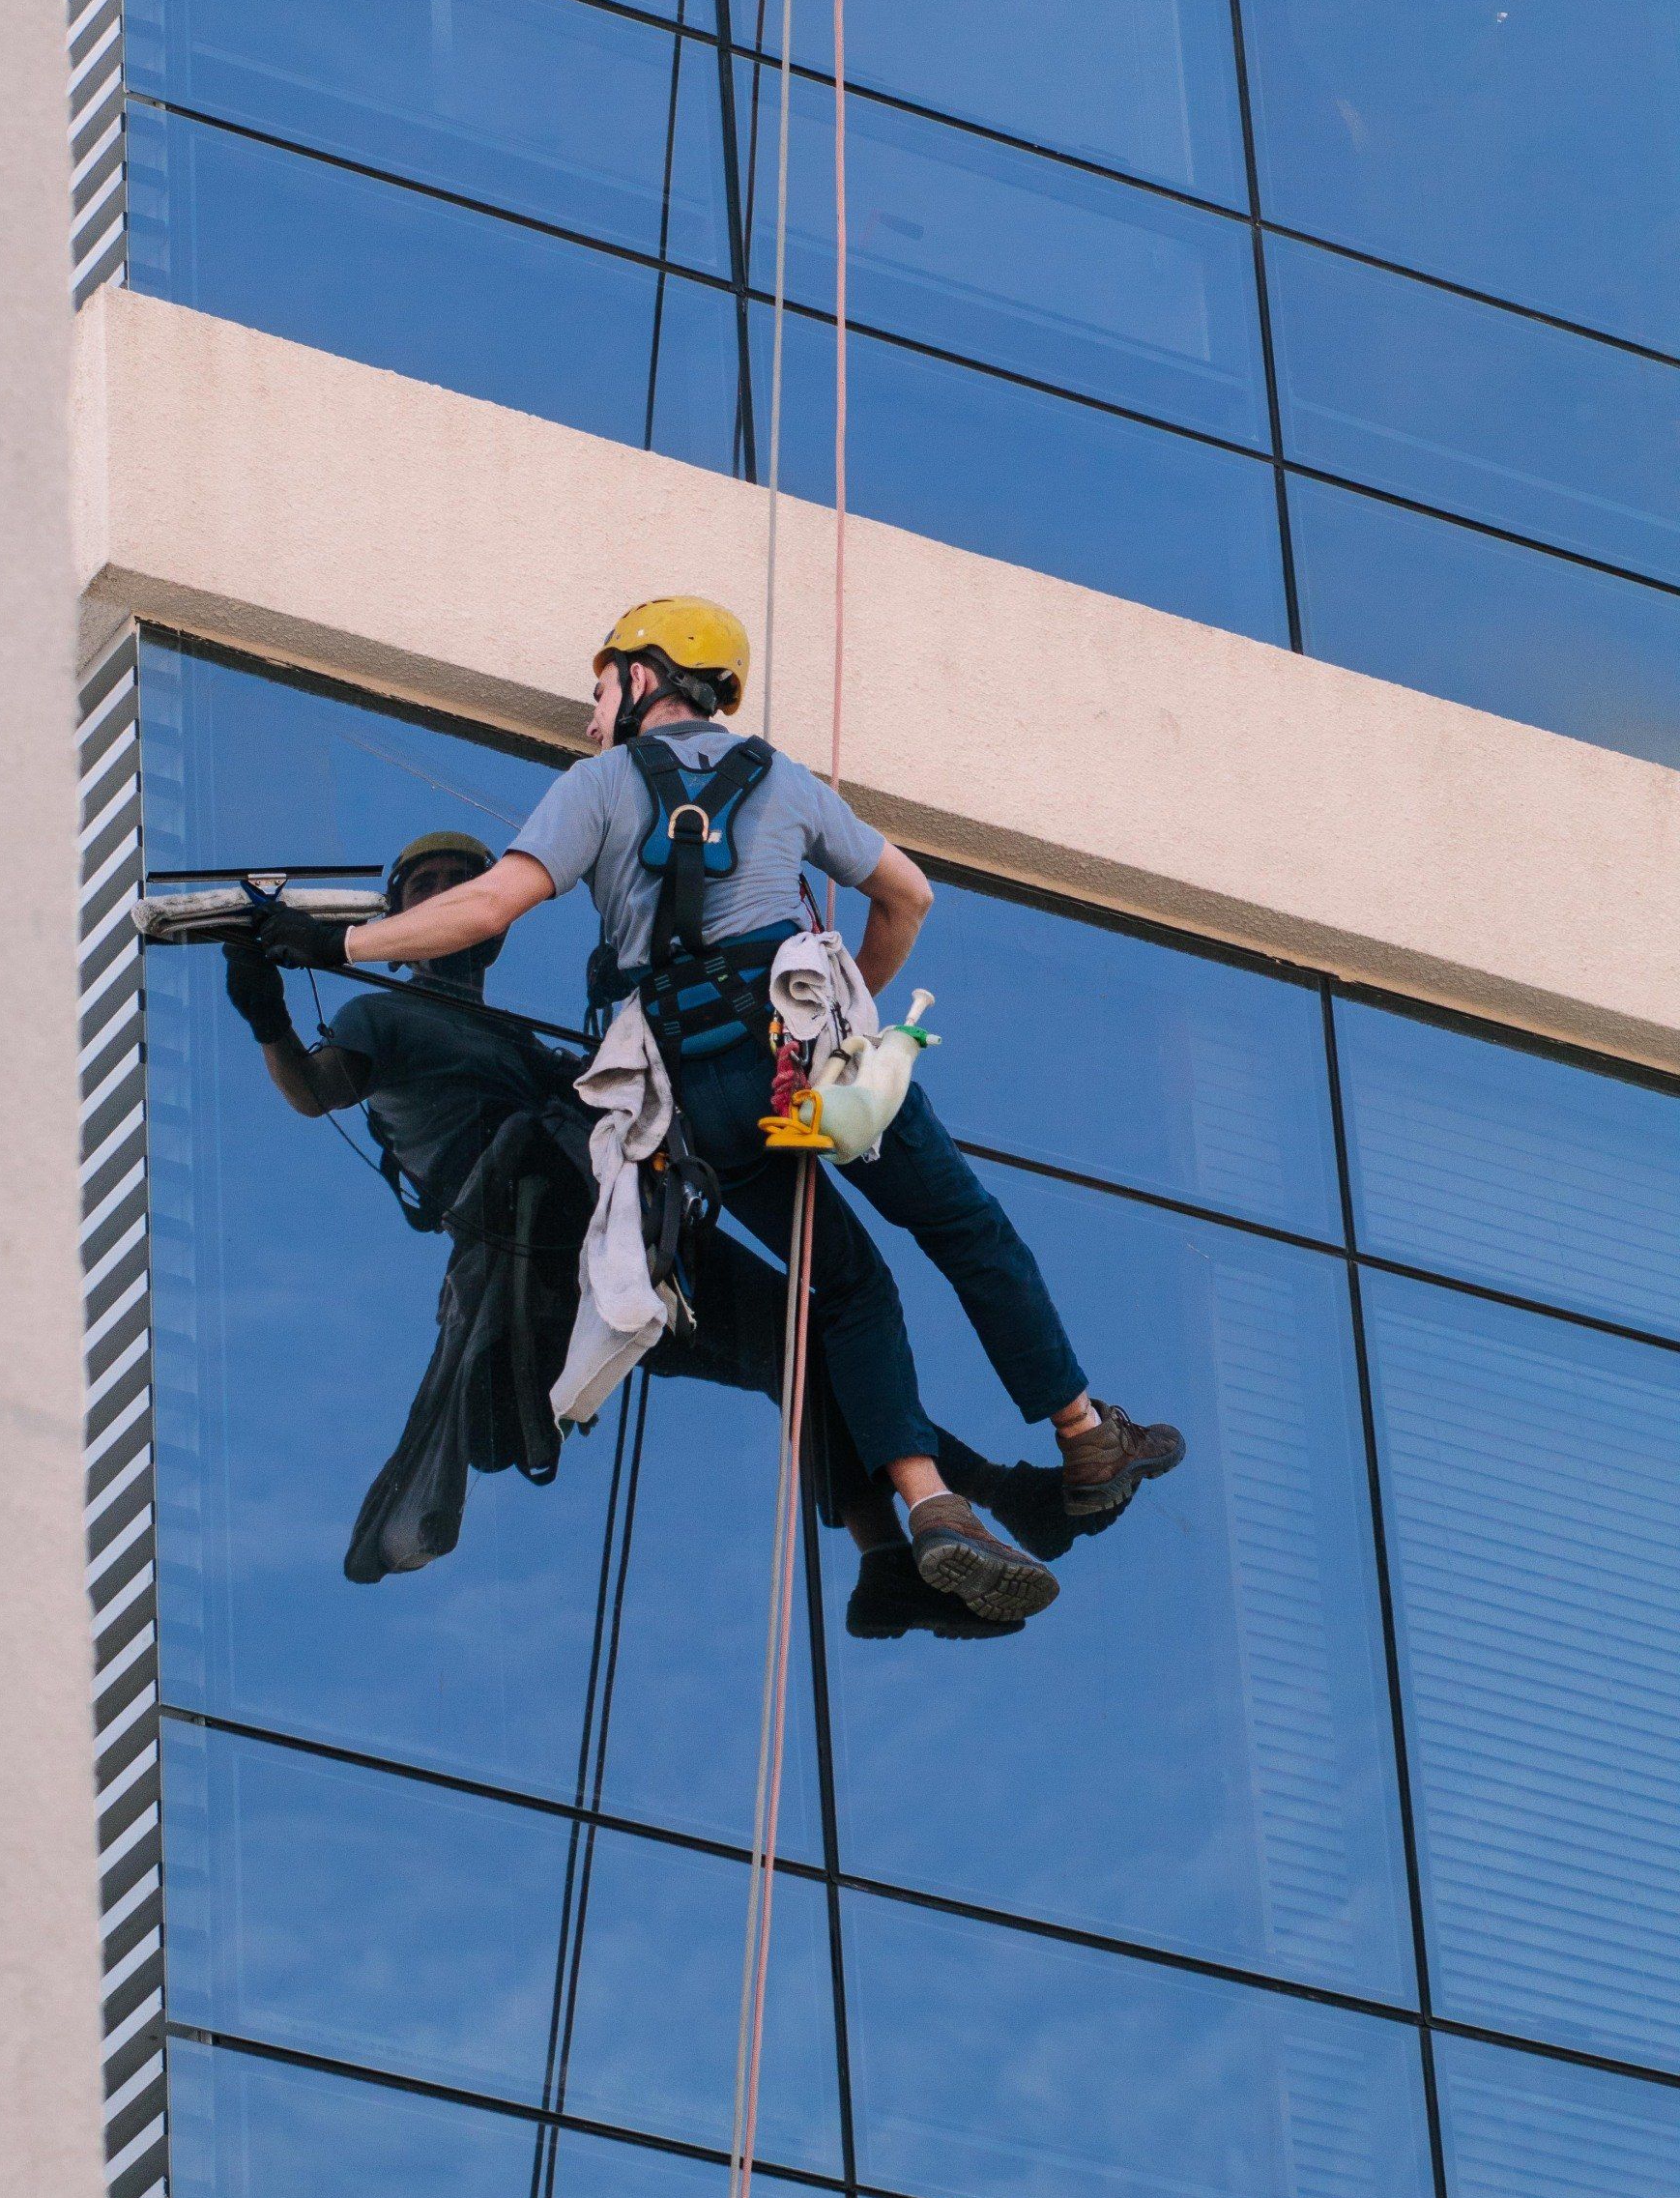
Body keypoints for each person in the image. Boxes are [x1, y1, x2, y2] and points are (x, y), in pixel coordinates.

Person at [254, 600, 1185, 1626]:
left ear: (650, 675)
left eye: (602, 683)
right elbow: (909, 897)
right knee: (965, 1229)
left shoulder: (595, 789)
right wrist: (848, 1021)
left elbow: (491, 906)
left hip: (698, 1100)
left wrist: (325, 942)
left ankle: (929, 1504)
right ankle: (1083, 1433)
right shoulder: (783, 781)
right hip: (804, 1057)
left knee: (845, 1292)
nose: (592, 708)